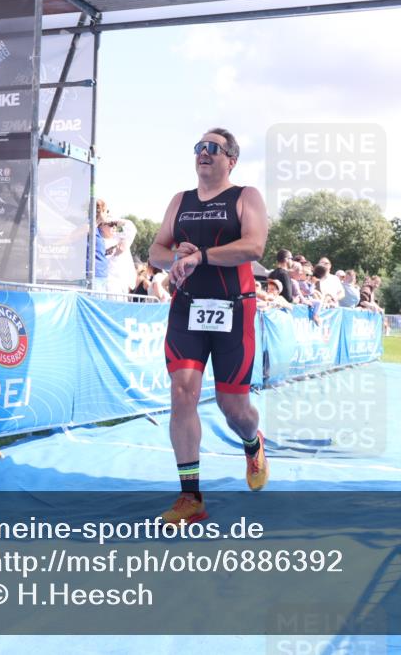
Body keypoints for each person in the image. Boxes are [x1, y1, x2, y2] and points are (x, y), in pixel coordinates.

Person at [149, 128, 269, 525]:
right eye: (199, 147)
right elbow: (155, 251)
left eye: (213, 148)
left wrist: (200, 256)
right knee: (183, 392)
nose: (203, 152)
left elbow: (253, 247)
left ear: (230, 159)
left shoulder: (245, 197)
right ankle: (191, 497)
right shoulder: (179, 201)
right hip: (187, 309)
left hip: (234, 311)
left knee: (232, 406)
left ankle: (253, 443)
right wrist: (175, 256)